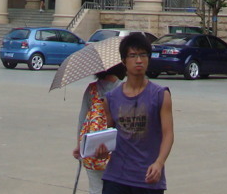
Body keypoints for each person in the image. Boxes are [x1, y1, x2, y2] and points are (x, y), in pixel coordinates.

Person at [97, 32, 174, 193]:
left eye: (143, 55)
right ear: (124, 61)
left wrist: (159, 163)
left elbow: (168, 135)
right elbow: (108, 135)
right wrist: (101, 151)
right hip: (116, 177)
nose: (138, 60)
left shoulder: (160, 95)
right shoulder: (111, 98)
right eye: (132, 55)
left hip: (148, 177)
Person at [72, 65, 124, 194]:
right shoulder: (123, 89)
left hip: (91, 147)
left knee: (95, 188)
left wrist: (80, 146)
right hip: (116, 149)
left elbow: (82, 119)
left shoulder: (92, 89)